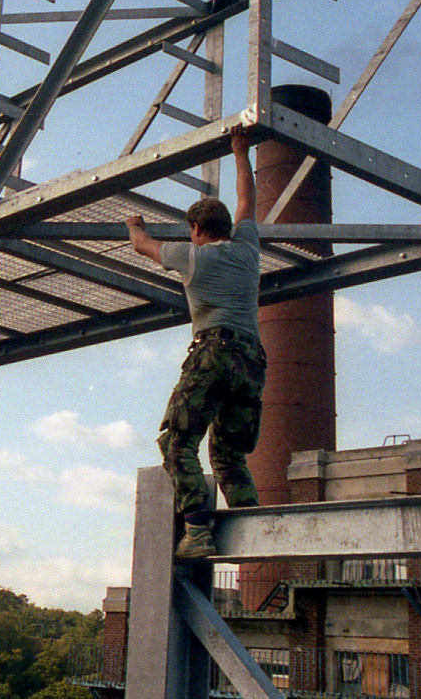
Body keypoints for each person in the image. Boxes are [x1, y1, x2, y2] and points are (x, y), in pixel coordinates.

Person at [123, 128, 266, 559]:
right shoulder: (248, 250)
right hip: (253, 360)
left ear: (197, 229)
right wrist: (241, 152)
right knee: (228, 453)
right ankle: (251, 523)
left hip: (214, 351)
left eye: (192, 232)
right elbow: (247, 202)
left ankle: (198, 530)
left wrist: (134, 224)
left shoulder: (192, 256)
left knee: (178, 441)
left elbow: (142, 246)